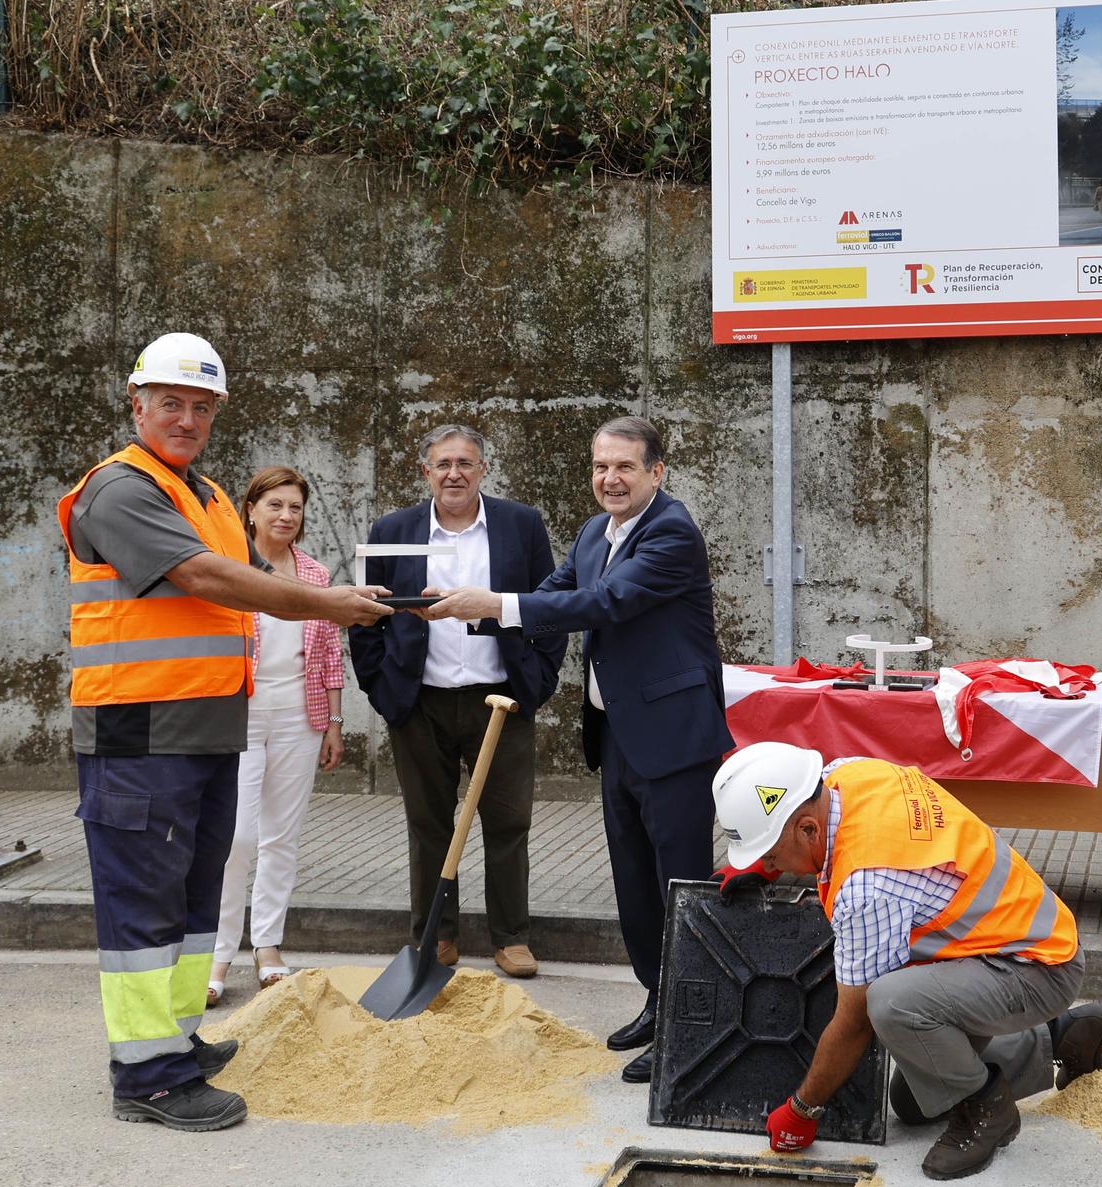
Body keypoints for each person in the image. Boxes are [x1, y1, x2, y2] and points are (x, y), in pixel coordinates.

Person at [61, 334, 389, 1131]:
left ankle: (173, 1040)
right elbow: (212, 577)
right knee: (144, 902)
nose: (185, 417)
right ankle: (147, 1077)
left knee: (192, 898)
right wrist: (329, 603)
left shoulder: (203, 493)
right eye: (170, 402)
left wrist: (347, 595)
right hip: (139, 730)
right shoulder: (120, 489)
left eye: (200, 407)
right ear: (136, 403)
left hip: (207, 728)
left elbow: (264, 572)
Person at [425, 416, 733, 1084]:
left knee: (680, 886)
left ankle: (693, 1025)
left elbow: (605, 601)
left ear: (658, 472)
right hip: (617, 731)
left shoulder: (672, 532)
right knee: (633, 884)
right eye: (600, 467)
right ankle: (659, 999)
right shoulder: (597, 532)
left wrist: (497, 604)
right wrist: (464, 604)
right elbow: (560, 589)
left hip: (674, 738)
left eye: (624, 466)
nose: (609, 479)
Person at [712, 744, 1102, 1181]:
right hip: (1012, 941)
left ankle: (987, 1113)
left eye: (770, 856)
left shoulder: (867, 886)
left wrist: (803, 1108)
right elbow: (810, 823)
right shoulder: (848, 775)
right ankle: (1061, 1038)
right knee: (914, 1102)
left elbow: (855, 1022)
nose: (769, 866)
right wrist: (774, 861)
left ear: (808, 829)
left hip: (1037, 968)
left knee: (890, 1003)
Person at [349, 425, 564, 982]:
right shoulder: (393, 532)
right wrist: (382, 688)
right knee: (428, 823)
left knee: (509, 820)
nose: (454, 474)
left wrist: (536, 680)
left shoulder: (521, 525)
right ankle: (435, 935)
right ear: (426, 471)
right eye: (443, 464)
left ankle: (511, 937)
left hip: (502, 701)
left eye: (465, 463)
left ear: (483, 469)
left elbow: (548, 606)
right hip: (420, 703)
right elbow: (364, 618)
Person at [207, 466, 346, 1007]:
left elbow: (331, 652)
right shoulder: (230, 569)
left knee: (281, 836)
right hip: (237, 712)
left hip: (300, 713)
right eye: (275, 506)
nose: (286, 516)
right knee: (235, 837)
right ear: (250, 510)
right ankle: (218, 952)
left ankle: (268, 946)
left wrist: (334, 721)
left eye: (295, 507)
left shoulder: (314, 573)